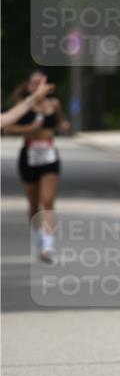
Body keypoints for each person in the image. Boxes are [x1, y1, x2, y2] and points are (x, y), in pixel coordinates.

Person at [3, 70, 69, 262]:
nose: (37, 85)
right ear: (29, 85)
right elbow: (7, 127)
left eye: (41, 82)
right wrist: (30, 129)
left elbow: (59, 122)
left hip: (49, 153)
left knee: (47, 200)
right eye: (34, 82)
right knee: (33, 205)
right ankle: (37, 238)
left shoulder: (53, 104)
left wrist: (63, 125)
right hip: (29, 154)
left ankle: (48, 245)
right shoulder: (22, 106)